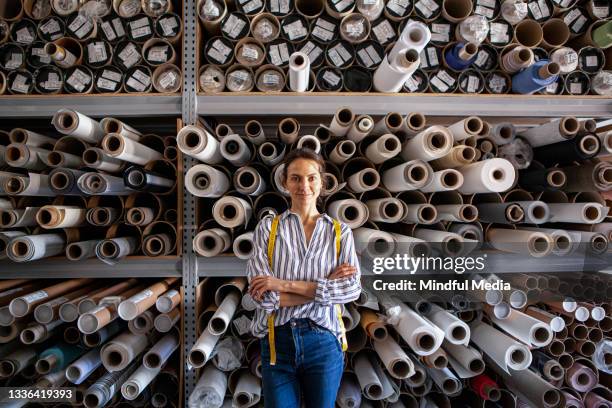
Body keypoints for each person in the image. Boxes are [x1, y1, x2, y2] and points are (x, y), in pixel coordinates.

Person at [246, 148, 362, 408]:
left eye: (311, 178)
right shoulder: (268, 228)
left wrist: (282, 284)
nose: (304, 185)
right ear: (285, 182)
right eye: (296, 178)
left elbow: (351, 290)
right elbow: (264, 298)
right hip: (278, 342)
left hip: (324, 343)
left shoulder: (340, 232)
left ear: (322, 182)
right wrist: (325, 288)